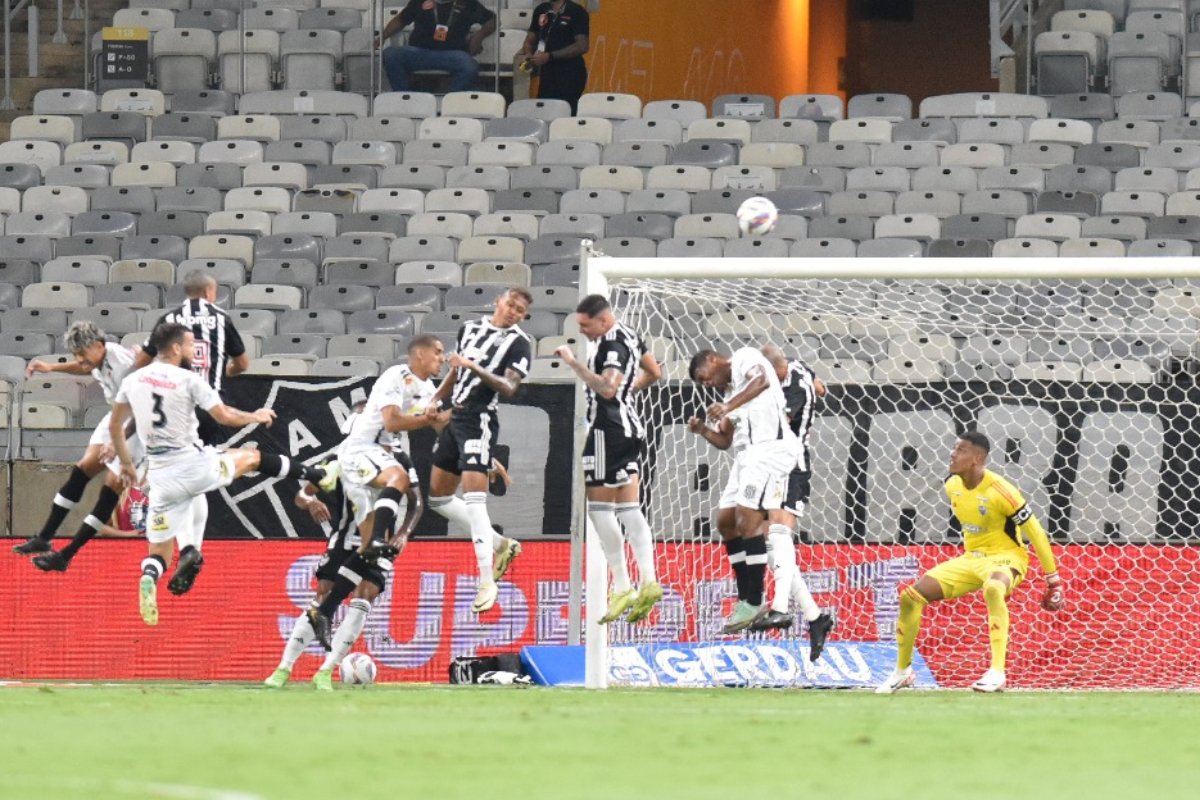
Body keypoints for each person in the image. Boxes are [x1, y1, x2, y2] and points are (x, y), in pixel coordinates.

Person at [110, 323, 328, 626]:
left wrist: (125, 463)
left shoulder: (133, 381)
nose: (192, 352)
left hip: (160, 479)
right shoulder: (187, 379)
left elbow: (115, 428)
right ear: (174, 348)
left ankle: (151, 575)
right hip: (193, 464)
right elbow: (224, 415)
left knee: (159, 550)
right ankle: (315, 473)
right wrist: (256, 415)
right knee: (252, 458)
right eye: (188, 345)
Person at [876, 431, 1065, 694]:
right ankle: (902, 671)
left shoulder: (1002, 491)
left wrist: (1053, 580)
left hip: (1007, 558)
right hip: (970, 560)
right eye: (954, 448)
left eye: (961, 450)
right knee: (910, 597)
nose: (953, 454)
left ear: (977, 458)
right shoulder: (952, 485)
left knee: (993, 588)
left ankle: (997, 672)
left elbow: (1035, 532)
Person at [304, 335, 457, 657]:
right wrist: (427, 419)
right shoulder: (396, 376)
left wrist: (483, 457)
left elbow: (443, 425)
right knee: (399, 477)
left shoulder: (428, 391)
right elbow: (391, 420)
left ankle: (325, 611)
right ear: (418, 354)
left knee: (366, 555)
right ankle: (374, 540)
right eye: (437, 352)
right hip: (361, 450)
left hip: (372, 462)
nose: (441, 358)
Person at [554, 295, 663, 624]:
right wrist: (629, 392)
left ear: (603, 320)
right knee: (629, 509)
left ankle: (622, 584)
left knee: (600, 510)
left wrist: (574, 363)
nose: (583, 331)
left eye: (586, 326)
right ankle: (649, 579)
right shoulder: (630, 334)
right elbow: (654, 371)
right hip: (630, 430)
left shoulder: (611, 345)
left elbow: (606, 389)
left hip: (606, 432)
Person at [425, 287, 533, 614]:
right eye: (510, 304)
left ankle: (486, 579)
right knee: (438, 498)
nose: (513, 311)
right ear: (498, 301)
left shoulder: (519, 343)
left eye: (520, 310)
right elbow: (455, 370)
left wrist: (473, 366)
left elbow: (510, 387)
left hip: (480, 418)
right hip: (455, 416)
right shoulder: (470, 328)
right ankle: (502, 545)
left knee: (475, 500)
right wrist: (435, 399)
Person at [13, 322, 146, 569]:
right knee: (82, 469)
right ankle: (44, 538)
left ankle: (66, 556)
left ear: (98, 346)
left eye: (82, 353)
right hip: (117, 415)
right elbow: (85, 368)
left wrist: (118, 444)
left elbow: (143, 409)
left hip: (139, 424)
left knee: (112, 485)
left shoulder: (123, 365)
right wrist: (51, 367)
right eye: (76, 354)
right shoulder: (98, 359)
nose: (79, 359)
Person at [688, 347, 798, 634]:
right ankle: (745, 595)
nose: (706, 384)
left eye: (704, 377)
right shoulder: (729, 396)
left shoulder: (744, 359)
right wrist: (702, 430)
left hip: (770, 450)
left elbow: (761, 379)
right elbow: (724, 440)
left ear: (713, 360)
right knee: (725, 522)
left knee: (746, 521)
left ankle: (755, 598)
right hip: (745, 458)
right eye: (702, 384)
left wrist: (728, 406)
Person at [749, 345, 835, 657]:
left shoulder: (793, 390)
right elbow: (821, 386)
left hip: (791, 463)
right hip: (776, 464)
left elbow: (777, 424)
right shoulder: (798, 367)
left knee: (778, 534)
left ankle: (780, 607)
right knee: (764, 538)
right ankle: (815, 617)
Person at [135, 270, 249, 446]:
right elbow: (242, 364)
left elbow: (141, 361)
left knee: (174, 454)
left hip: (173, 401)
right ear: (208, 291)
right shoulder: (221, 318)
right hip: (210, 404)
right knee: (205, 455)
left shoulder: (168, 319)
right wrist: (226, 371)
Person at [379, 0, 496, 93]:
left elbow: (493, 20)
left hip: (452, 54)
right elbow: (401, 20)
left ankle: (449, 100)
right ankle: (405, 98)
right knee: (391, 55)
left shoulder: (468, 3)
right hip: (419, 53)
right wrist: (382, 37)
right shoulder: (419, 2)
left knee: (469, 66)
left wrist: (480, 35)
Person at [518, 0, 590, 114]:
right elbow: (530, 40)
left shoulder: (576, 11)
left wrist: (550, 56)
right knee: (544, 111)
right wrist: (528, 54)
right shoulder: (541, 10)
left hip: (570, 72)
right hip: (547, 72)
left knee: (565, 112)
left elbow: (582, 46)